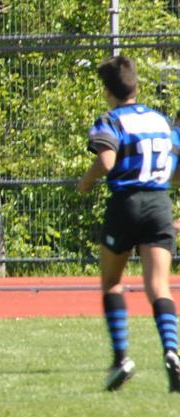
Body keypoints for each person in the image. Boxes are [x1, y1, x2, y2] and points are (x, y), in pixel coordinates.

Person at [76, 55, 180, 392]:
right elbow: (175, 167)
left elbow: (106, 160)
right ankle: (172, 351)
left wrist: (86, 181)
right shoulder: (160, 120)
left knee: (111, 282)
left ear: (108, 90)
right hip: (159, 204)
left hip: (126, 203)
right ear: (136, 85)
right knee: (159, 286)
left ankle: (121, 359)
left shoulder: (111, 120)